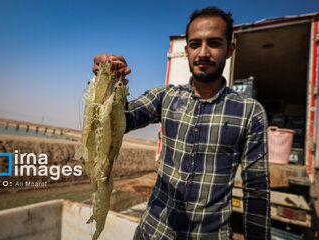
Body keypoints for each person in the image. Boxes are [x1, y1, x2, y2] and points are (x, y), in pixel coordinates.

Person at [92, 6, 270, 240]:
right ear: (187, 50)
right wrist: (107, 85)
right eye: (195, 44)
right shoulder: (166, 97)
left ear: (230, 49)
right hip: (152, 232)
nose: (203, 53)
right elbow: (120, 121)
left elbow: (257, 192)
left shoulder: (250, 112)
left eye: (214, 43)